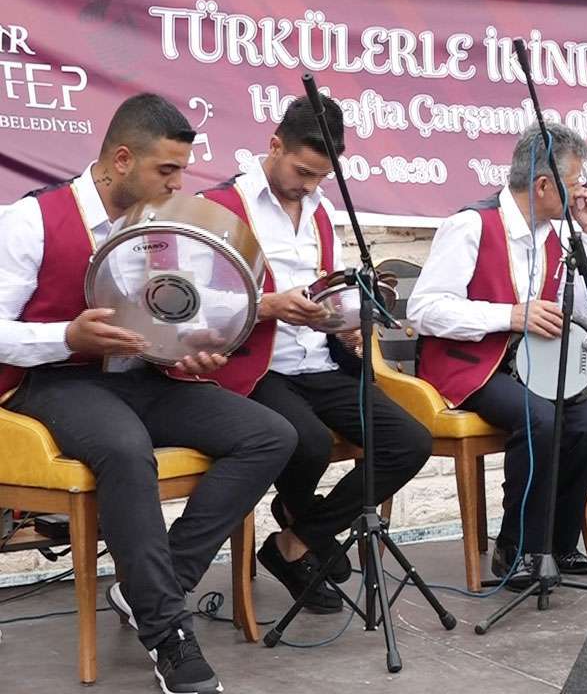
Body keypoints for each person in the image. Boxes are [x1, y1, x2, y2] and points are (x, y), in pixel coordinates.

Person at [0, 93, 297, 694]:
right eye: (167, 170)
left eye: (183, 169)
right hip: (52, 381)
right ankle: (168, 634)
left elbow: (169, 315)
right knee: (124, 448)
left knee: (269, 434)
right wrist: (65, 334)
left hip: (142, 378)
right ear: (120, 159)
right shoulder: (30, 219)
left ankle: (149, 588)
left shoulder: (162, 226)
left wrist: (202, 342)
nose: (180, 182)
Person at [198, 96, 433, 612]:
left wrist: (345, 321)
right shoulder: (221, 207)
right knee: (301, 440)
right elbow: (195, 304)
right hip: (261, 367)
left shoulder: (321, 212)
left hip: (321, 362)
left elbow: (325, 289)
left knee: (410, 441)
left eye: (320, 177)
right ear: (274, 144)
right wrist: (266, 306)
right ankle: (309, 532)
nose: (309, 186)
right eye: (303, 171)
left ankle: (297, 539)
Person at [406, 122, 587, 579]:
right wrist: (508, 315)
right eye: (575, 183)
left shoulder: (559, 234)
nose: (584, 192)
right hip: (470, 368)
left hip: (530, 370)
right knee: (540, 419)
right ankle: (518, 548)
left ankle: (556, 546)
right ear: (543, 185)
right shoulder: (470, 226)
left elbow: (582, 309)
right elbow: (424, 310)